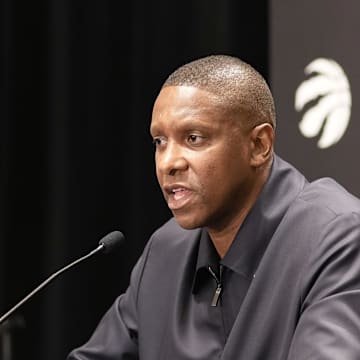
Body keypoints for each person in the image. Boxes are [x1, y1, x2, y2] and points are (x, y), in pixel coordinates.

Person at [67, 54, 360, 359]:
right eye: (159, 142)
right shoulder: (166, 250)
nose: (168, 163)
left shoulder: (338, 237)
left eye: (193, 138)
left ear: (259, 145)